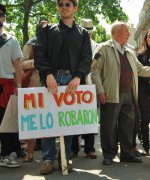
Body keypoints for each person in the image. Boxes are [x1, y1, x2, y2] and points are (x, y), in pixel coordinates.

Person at [91, 21, 150, 165]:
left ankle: (127, 153)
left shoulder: (129, 51)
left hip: (129, 93)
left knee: (127, 125)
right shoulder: (103, 48)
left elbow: (140, 69)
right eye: (125, 32)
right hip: (111, 94)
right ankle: (109, 154)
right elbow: (95, 71)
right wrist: (100, 90)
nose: (129, 34)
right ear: (115, 34)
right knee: (108, 126)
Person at [35, 0, 92, 174]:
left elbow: (86, 58)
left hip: (72, 81)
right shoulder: (46, 30)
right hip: (50, 80)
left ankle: (65, 158)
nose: (64, 7)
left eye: (68, 4)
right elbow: (39, 54)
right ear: (57, 7)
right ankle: (47, 159)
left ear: (75, 7)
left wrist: (78, 77)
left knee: (69, 122)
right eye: (60, 4)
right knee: (48, 122)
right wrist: (48, 74)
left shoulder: (82, 33)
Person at [21, 17, 49, 163]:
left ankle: (47, 157)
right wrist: (35, 62)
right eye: (42, 26)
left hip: (49, 88)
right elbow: (21, 64)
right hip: (33, 86)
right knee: (32, 123)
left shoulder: (53, 43)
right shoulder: (30, 44)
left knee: (48, 123)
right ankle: (29, 152)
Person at [71, 18, 97, 159]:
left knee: (89, 118)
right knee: (74, 116)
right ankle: (74, 148)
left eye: (89, 32)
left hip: (89, 84)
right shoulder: (74, 43)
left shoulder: (96, 46)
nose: (88, 35)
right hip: (75, 83)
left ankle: (89, 148)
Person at [0, 3, 23, 168]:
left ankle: (6, 155)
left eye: (0, 14)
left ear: (4, 18)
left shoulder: (11, 39)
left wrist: (19, 85)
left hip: (6, 85)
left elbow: (17, 64)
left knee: (6, 121)